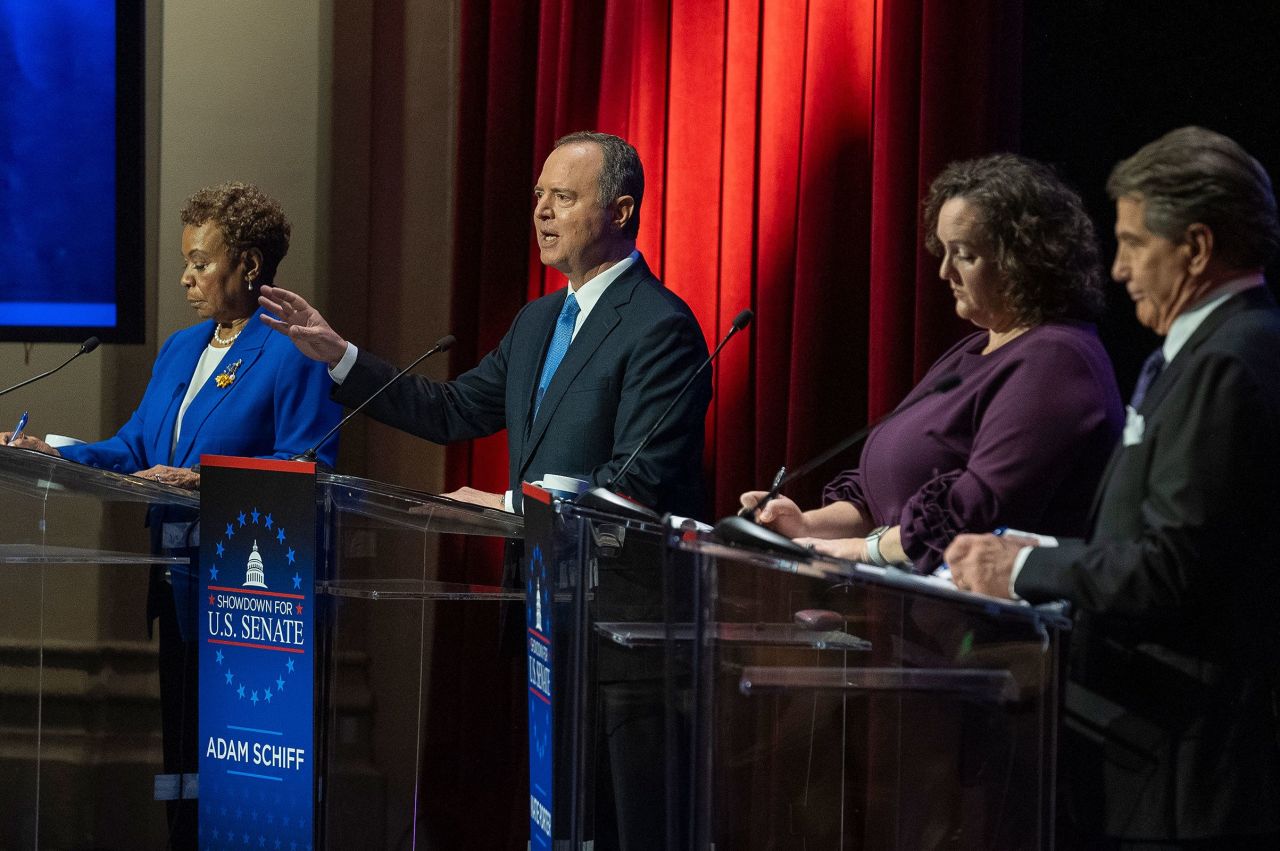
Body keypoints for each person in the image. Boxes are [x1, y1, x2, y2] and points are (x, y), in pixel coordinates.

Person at [947, 127, 1280, 848]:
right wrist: (1055, 550)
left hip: (1187, 765)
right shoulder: (1204, 350)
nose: (1120, 268)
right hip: (1155, 743)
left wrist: (1025, 567)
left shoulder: (1229, 361)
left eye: (1133, 244)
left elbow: (1174, 568)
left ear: (1195, 246)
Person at [3, 181, 343, 850]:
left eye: (200, 261)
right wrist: (58, 449)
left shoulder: (292, 351)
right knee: (184, 776)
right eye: (186, 262)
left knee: (241, 791)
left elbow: (311, 463)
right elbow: (135, 449)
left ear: (248, 265)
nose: (186, 277)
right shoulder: (180, 349)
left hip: (252, 600)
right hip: (179, 585)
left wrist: (203, 479)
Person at [256, 130, 710, 517]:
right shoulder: (539, 319)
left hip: (614, 601)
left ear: (621, 212)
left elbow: (639, 481)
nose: (541, 211)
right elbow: (452, 411)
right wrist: (339, 355)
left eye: (564, 198)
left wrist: (507, 506)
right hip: (530, 591)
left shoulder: (660, 329)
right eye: (540, 195)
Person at [741, 154, 1124, 572]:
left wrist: (863, 551)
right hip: (915, 616)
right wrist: (805, 525)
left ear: (1024, 258)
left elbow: (978, 511)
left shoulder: (1055, 359)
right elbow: (882, 492)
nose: (944, 271)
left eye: (963, 254)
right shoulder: (972, 350)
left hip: (1000, 630)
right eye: (943, 251)